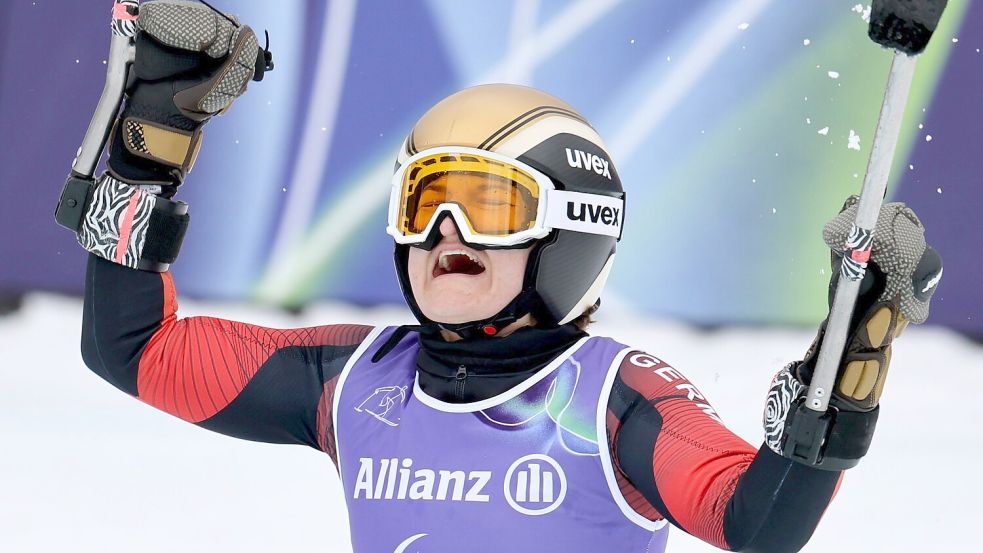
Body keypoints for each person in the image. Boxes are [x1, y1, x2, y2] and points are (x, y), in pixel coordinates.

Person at [66, 2, 943, 552]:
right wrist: (148, 149)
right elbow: (131, 345)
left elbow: (753, 523)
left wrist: (845, 373)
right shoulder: (354, 380)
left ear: (571, 233)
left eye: (488, 207)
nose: (445, 231)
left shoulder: (612, 401)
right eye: (424, 201)